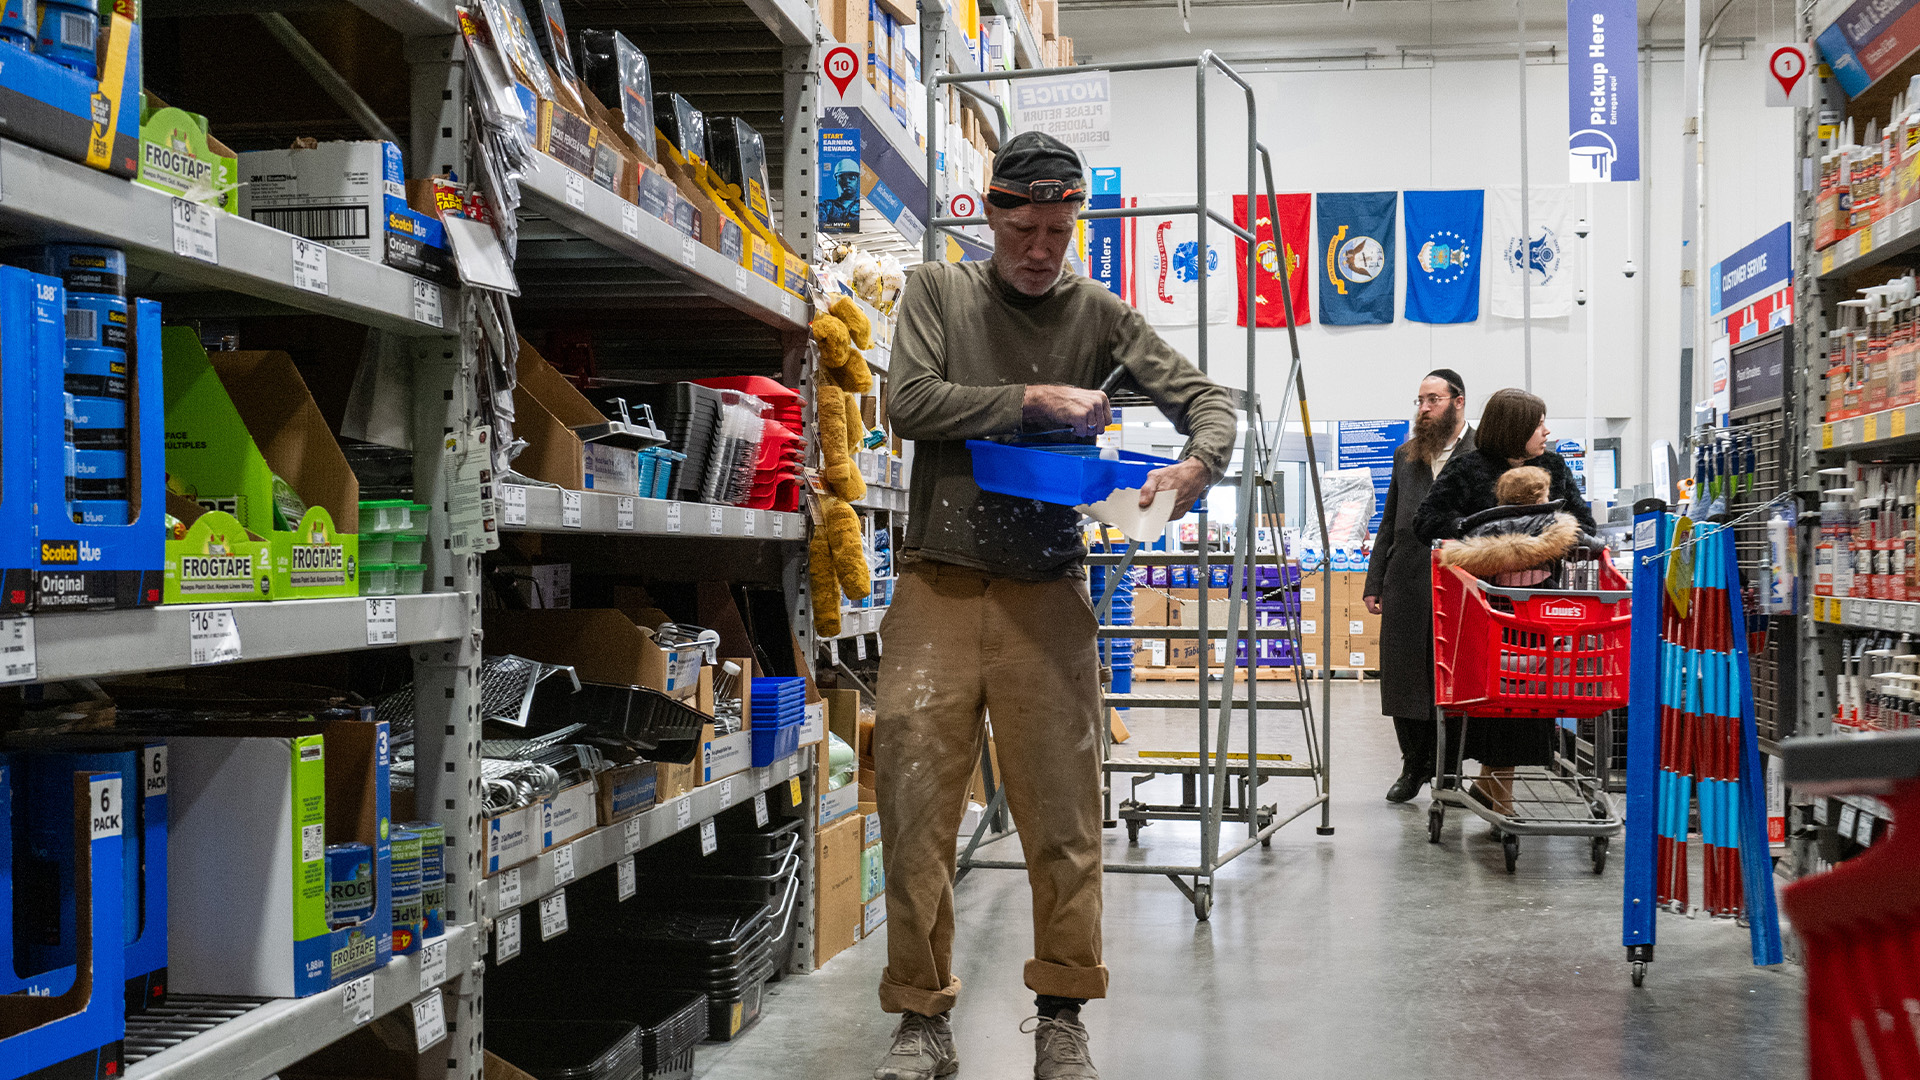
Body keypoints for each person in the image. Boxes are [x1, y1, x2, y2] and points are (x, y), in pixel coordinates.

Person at [872, 130, 1236, 1080]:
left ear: (1078, 220)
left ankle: (1064, 1012)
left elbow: (1210, 400)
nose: (1041, 248)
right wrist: (1030, 399)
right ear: (990, 213)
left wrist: (1201, 462)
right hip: (935, 583)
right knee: (916, 809)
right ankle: (921, 1019)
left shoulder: (1101, 314)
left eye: (1059, 229)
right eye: (1025, 226)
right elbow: (906, 402)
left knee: (1065, 813)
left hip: (1048, 590)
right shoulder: (937, 293)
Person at [1413, 388, 1598, 816]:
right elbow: (1427, 523)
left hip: (1537, 602)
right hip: (1480, 603)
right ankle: (1497, 788)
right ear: (1515, 428)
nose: (1546, 431)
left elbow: (1582, 521)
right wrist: (1482, 534)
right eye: (1538, 424)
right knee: (1491, 691)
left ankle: (1495, 785)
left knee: (1529, 692)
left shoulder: (1552, 465)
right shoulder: (1468, 467)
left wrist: (1553, 533)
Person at [1362, 369, 1475, 804]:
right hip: (1406, 579)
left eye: (1434, 400)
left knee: (1454, 675)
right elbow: (1388, 523)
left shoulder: (1480, 453)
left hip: (1462, 581)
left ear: (1458, 401)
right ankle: (1413, 765)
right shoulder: (1407, 455)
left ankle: (1448, 770)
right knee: (1403, 676)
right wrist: (1375, 582)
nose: (1425, 409)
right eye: (1421, 401)